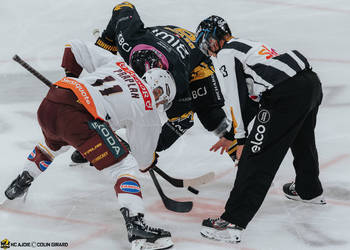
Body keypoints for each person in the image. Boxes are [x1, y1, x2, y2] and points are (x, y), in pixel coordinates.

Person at [4, 40, 176, 250]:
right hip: (79, 118)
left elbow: (73, 48)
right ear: (158, 92)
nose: (159, 105)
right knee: (125, 166)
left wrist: (72, 81)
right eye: (162, 100)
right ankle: (137, 228)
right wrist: (147, 160)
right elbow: (142, 160)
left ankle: (20, 183)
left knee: (56, 143)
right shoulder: (148, 106)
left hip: (53, 100)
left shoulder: (119, 65)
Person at [67, 2, 259, 165]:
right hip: (162, 42)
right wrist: (106, 43)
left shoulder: (180, 82)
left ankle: (243, 156)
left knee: (211, 116)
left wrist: (148, 149)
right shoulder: (129, 42)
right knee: (116, 98)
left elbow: (183, 120)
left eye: (160, 100)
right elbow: (124, 7)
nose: (158, 105)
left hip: (193, 58)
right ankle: (95, 142)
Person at [195, 15, 326, 243]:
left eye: (208, 43)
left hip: (286, 94)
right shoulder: (247, 46)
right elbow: (253, 100)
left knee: (256, 157)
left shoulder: (227, 53)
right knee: (302, 140)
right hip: (310, 84)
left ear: (217, 35)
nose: (210, 51)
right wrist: (230, 135)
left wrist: (242, 141)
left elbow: (235, 99)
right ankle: (309, 189)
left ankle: (233, 222)